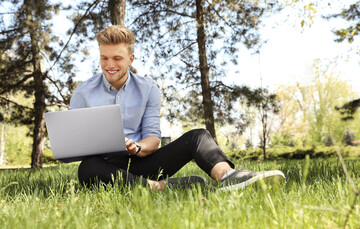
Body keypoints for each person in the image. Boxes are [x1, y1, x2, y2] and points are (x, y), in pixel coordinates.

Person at [69, 25, 285, 191]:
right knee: (87, 168)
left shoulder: (148, 89)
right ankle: (159, 187)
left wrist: (135, 147)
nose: (110, 65)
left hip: (141, 161)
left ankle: (229, 176)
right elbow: (73, 142)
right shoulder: (83, 92)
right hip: (106, 168)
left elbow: (153, 139)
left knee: (198, 136)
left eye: (117, 58)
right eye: (104, 58)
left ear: (130, 59)